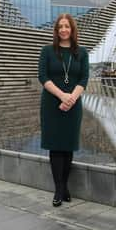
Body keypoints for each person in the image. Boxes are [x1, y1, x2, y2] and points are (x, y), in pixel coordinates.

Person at [38, 14, 89, 207]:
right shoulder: (48, 51)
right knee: (55, 145)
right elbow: (43, 76)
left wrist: (71, 98)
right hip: (52, 104)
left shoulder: (82, 53)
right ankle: (59, 189)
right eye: (60, 27)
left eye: (67, 26)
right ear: (56, 30)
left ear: (72, 29)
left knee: (68, 146)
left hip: (73, 104)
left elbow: (83, 79)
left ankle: (64, 186)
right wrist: (62, 96)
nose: (63, 30)